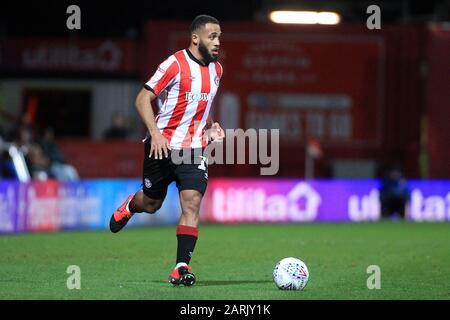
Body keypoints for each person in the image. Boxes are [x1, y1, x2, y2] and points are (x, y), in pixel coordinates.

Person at [109, 15, 225, 287]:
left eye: (220, 36)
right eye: (213, 36)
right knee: (151, 203)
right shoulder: (174, 64)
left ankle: (181, 266)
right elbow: (142, 99)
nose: (218, 42)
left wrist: (211, 127)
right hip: (161, 146)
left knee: (192, 203)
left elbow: (201, 107)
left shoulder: (217, 70)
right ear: (195, 38)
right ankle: (130, 205)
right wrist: (156, 134)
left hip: (193, 149)